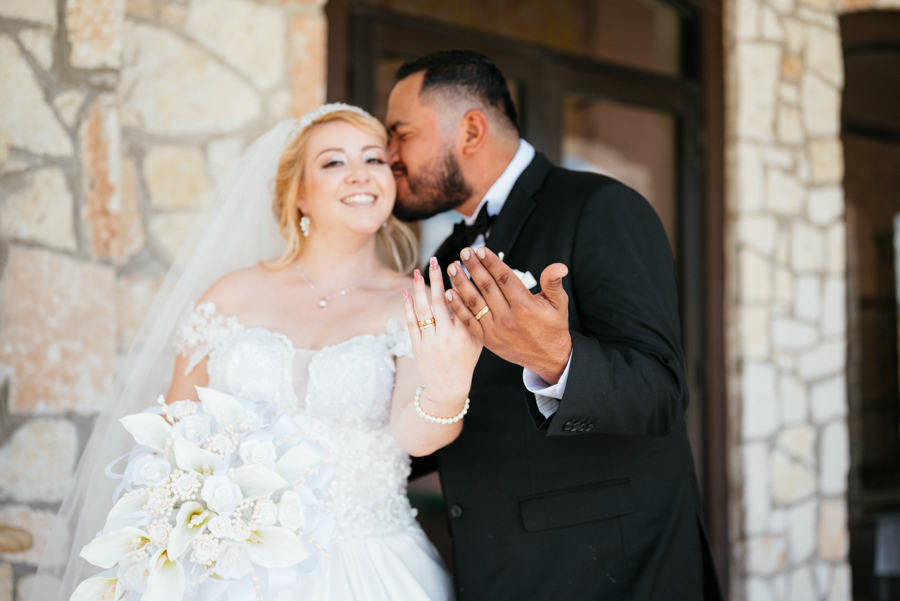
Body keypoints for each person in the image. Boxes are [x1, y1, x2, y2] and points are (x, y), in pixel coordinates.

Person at [30, 105, 476, 601]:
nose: (360, 175)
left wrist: (449, 384)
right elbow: (173, 433)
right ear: (299, 193)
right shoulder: (230, 297)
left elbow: (416, 439)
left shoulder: (413, 301)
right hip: (231, 570)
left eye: (374, 160)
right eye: (333, 162)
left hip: (368, 564)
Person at [386, 50, 724, 601]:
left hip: (612, 573)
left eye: (401, 133)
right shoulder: (447, 254)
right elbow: (461, 411)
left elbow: (661, 394)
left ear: (471, 129)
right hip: (494, 569)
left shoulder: (602, 207)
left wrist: (555, 358)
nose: (389, 155)